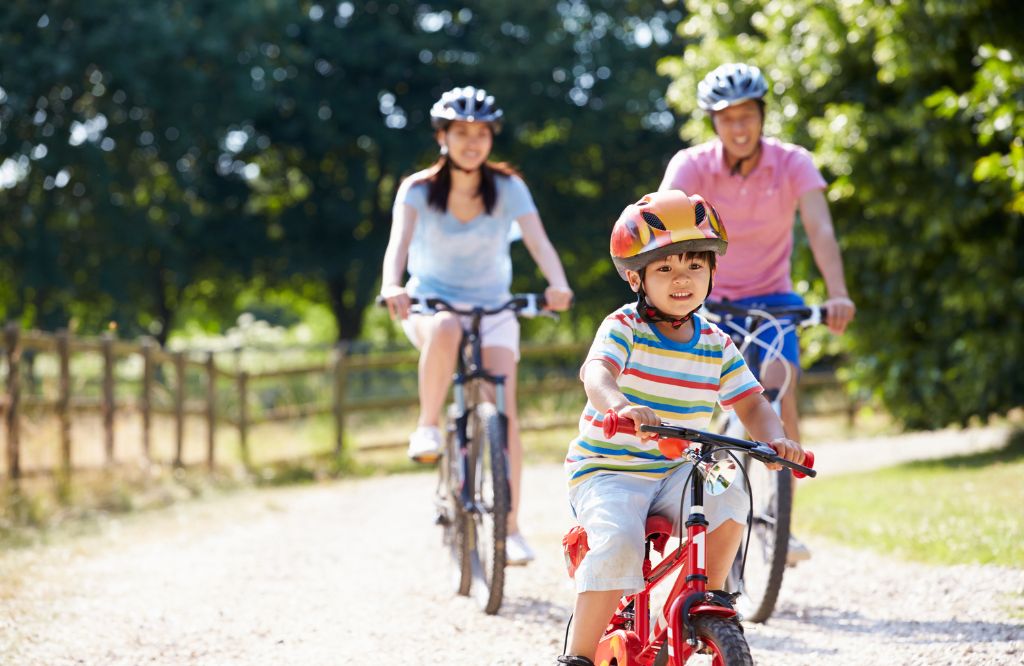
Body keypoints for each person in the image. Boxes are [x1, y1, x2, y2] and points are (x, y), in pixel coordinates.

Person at [557, 190, 805, 665]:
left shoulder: (715, 341)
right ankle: (578, 656)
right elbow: (597, 374)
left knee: (731, 493)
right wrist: (621, 406)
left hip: (679, 468)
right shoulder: (624, 326)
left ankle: (706, 599)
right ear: (637, 277)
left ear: (712, 272)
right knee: (617, 545)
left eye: (695, 266)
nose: (682, 279)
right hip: (610, 469)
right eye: (666, 268)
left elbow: (752, 401)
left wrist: (775, 439)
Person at [658, 62, 856, 563]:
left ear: (762, 116)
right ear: (713, 123)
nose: (739, 127)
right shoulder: (692, 165)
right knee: (710, 409)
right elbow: (662, 224)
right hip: (710, 300)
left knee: (777, 380)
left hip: (773, 300)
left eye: (747, 115)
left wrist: (837, 293)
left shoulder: (792, 163)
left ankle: (778, 518)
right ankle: (713, 504)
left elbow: (821, 231)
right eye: (727, 118)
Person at [380, 85, 573, 565]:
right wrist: (392, 285)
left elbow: (539, 242)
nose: (472, 142)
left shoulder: (508, 188)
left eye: (481, 133)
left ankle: (509, 530)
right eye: (461, 132)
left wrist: (558, 283)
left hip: (493, 309)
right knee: (444, 329)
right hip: (431, 304)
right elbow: (397, 246)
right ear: (442, 136)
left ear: (491, 138)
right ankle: (427, 427)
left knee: (502, 411)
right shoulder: (419, 189)